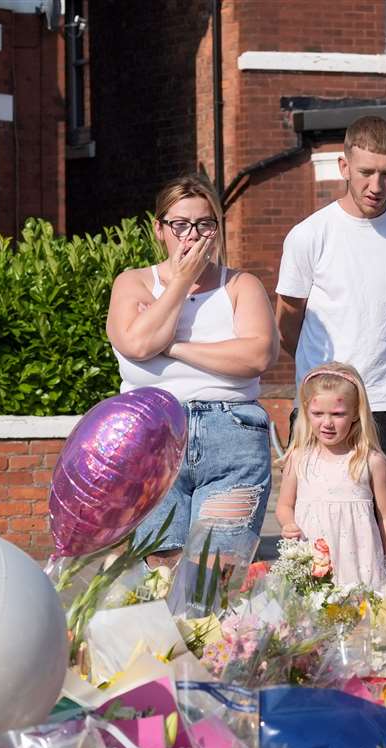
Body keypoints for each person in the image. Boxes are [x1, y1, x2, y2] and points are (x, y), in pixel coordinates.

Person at [106, 175, 278, 565]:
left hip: (231, 433)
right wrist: (181, 282)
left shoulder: (240, 285)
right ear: (160, 229)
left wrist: (173, 347)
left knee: (217, 572)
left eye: (204, 225)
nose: (193, 237)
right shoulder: (133, 283)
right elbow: (135, 344)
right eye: (180, 225)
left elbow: (257, 356)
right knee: (160, 567)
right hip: (154, 435)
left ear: (216, 230)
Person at [276, 115, 386, 521]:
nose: (376, 186)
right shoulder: (310, 234)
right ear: (344, 167)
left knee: (382, 523)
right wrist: (318, 377)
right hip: (321, 405)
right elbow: (289, 319)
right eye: (366, 173)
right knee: (311, 523)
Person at [275, 363, 386, 587]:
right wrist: (288, 523)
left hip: (360, 564)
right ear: (306, 411)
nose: (327, 423)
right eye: (318, 413)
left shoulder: (370, 461)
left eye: (338, 414)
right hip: (311, 559)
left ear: (355, 413)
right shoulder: (298, 459)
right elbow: (284, 505)